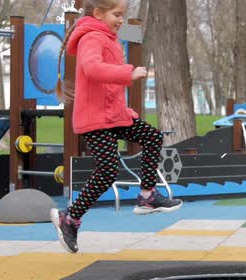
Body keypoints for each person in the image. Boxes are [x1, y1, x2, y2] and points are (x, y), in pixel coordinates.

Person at [51, 0, 183, 253]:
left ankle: (147, 195)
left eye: (123, 15)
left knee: (152, 136)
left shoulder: (109, 37)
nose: (121, 20)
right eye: (117, 14)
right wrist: (127, 73)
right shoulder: (92, 37)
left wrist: (124, 109)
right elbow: (92, 69)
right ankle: (70, 218)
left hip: (112, 115)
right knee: (107, 171)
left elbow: (107, 88)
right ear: (98, 13)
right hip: (95, 119)